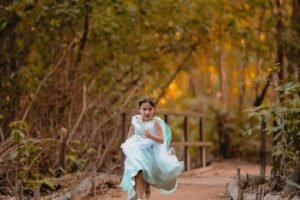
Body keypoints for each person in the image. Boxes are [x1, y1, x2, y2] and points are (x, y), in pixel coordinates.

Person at [120, 96, 184, 200]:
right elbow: (130, 136)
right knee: (138, 172)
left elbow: (161, 139)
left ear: (154, 110)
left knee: (148, 178)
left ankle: (148, 193)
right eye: (144, 109)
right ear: (139, 110)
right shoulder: (135, 121)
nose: (147, 112)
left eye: (150, 109)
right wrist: (128, 149)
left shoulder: (156, 122)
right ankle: (140, 198)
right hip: (137, 151)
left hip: (152, 152)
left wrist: (150, 136)